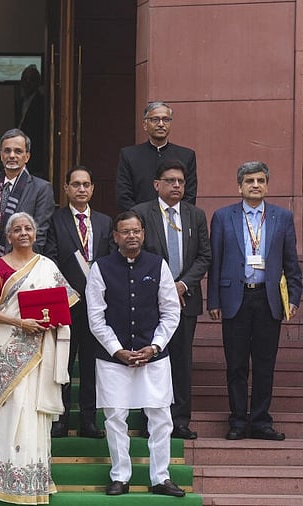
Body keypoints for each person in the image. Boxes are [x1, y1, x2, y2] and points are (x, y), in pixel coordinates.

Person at [0, 212, 78, 505]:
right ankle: (0, 476)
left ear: (35, 233)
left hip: (39, 349)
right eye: (16, 229)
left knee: (31, 408)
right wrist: (22, 323)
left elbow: (64, 306)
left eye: (27, 228)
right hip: (5, 346)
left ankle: (32, 476)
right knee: (10, 405)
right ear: (8, 236)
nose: (23, 233)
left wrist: (51, 320)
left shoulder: (47, 267)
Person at [86, 210, 186, 497]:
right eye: (125, 232)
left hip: (153, 355)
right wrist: (117, 350)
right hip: (112, 358)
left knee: (160, 416)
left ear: (143, 233)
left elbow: (170, 312)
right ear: (115, 236)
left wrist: (154, 346)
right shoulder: (101, 267)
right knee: (115, 417)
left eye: (136, 231)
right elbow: (96, 318)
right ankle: (120, 475)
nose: (131, 236)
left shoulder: (158, 265)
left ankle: (160, 477)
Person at [207, 161, 303, 441]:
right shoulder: (223, 217)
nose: (256, 185)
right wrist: (214, 299)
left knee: (264, 364)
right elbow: (216, 261)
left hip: (268, 298)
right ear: (240, 186)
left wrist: (294, 296)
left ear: (267, 185)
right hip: (235, 296)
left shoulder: (281, 217)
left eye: (261, 180)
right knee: (235, 364)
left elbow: (290, 261)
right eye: (249, 181)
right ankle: (237, 420)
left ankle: (261, 421)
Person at [131, 159, 211, 440]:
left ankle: (180, 420)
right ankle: (149, 419)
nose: (176, 185)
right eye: (170, 181)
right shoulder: (141, 213)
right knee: (150, 359)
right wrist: (165, 287)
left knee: (181, 360)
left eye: (180, 181)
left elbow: (204, 256)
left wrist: (182, 284)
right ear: (157, 184)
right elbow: (137, 254)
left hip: (185, 300)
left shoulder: (195, 215)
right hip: (149, 301)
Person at [43, 166, 113, 439]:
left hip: (97, 306)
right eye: (76, 184)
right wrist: (68, 291)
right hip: (66, 302)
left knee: (91, 364)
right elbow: (50, 259)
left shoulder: (106, 222)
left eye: (86, 184)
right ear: (66, 188)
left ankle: (88, 420)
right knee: (63, 363)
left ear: (92, 188)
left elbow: (110, 261)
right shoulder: (55, 220)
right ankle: (60, 419)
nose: (81, 189)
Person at [0, 128, 55, 297]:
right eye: (7, 151)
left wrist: (14, 270)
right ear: (1, 155)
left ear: (27, 156)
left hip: (24, 277)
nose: (12, 155)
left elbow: (39, 235)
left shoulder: (41, 188)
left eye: (18, 151)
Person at [115, 101, 197, 212]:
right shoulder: (129, 155)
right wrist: (139, 219)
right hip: (140, 223)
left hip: (174, 222)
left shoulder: (186, 156)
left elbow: (189, 195)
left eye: (166, 120)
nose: (161, 124)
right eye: (155, 120)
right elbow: (123, 196)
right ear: (145, 124)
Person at [15, 65, 47, 179]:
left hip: (35, 153)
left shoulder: (42, 102)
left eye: (31, 80)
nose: (27, 83)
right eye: (25, 79)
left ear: (38, 83)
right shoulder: (20, 102)